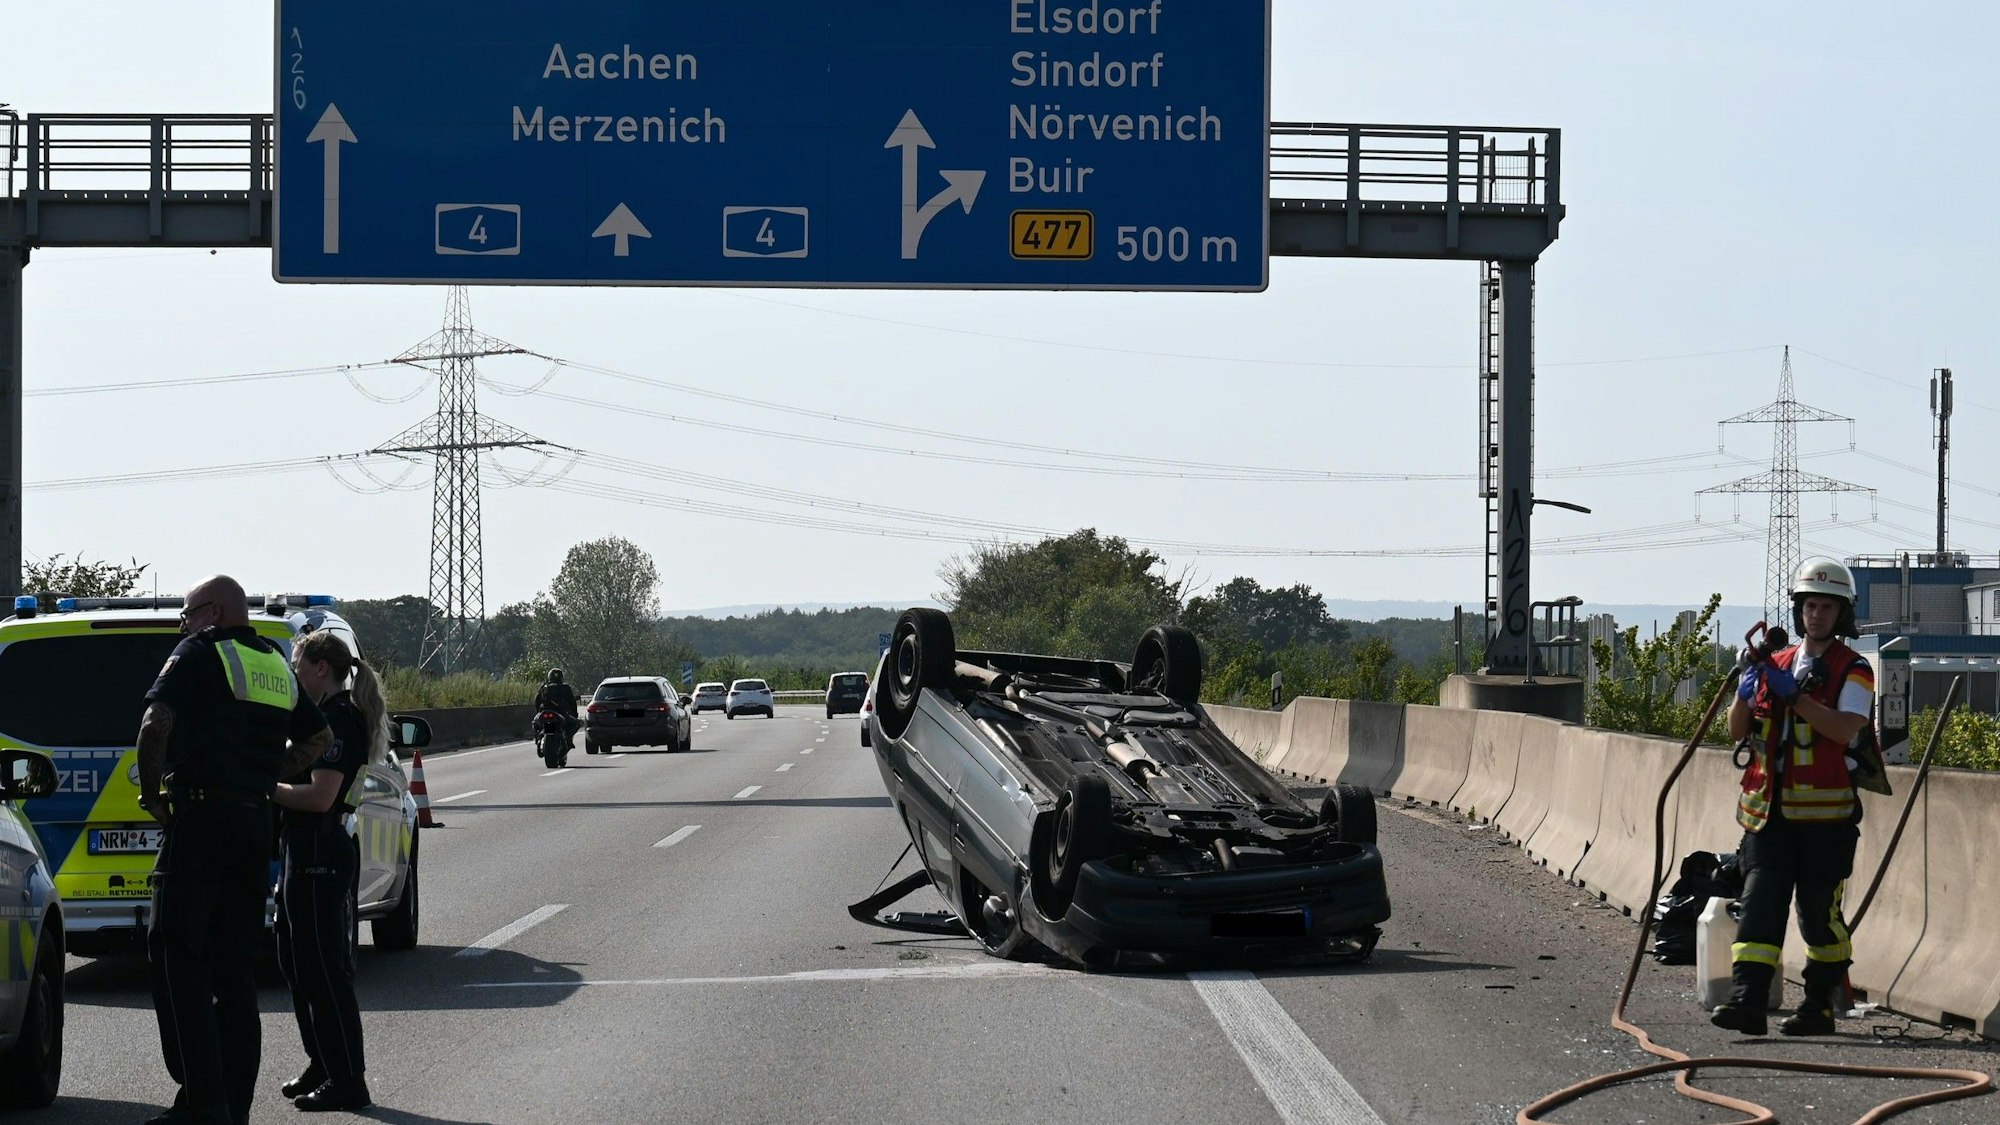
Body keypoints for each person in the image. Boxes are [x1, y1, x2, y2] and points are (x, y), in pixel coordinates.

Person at [136, 577, 332, 1125]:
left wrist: (154, 795)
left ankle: (203, 1101)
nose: (183, 624)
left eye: (187, 613)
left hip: (199, 821)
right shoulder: (272, 660)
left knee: (178, 959)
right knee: (235, 971)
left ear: (214, 611)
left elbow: (155, 723)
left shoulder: (200, 651)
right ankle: (234, 1107)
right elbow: (317, 742)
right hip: (253, 826)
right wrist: (262, 774)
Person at [1711, 557, 1874, 1038]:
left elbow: (1846, 728)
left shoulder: (1854, 669)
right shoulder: (1774, 663)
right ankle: (1748, 1001)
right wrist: (1744, 694)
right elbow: (1737, 731)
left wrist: (1797, 698)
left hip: (1826, 821)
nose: (1816, 615)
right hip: (1767, 816)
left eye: (1826, 607)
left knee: (1818, 917)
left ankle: (1818, 1006)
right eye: (1809, 606)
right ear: (1799, 610)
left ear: (1841, 614)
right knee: (1760, 905)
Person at [271, 631, 384, 1112]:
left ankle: (348, 1080)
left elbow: (319, 798)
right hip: (303, 848)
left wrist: (262, 788)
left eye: (297, 664)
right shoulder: (321, 718)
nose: (293, 674)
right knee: (296, 963)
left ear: (321, 667)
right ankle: (323, 1061)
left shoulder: (339, 720)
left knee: (323, 969)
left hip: (322, 848)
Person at [534, 668, 579, 753]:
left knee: (535, 724)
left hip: (545, 713)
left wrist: (538, 712)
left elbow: (537, 701)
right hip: (560, 713)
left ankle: (538, 739)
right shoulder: (565, 688)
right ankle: (568, 740)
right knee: (575, 724)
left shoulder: (544, 687)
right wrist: (574, 714)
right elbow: (572, 702)